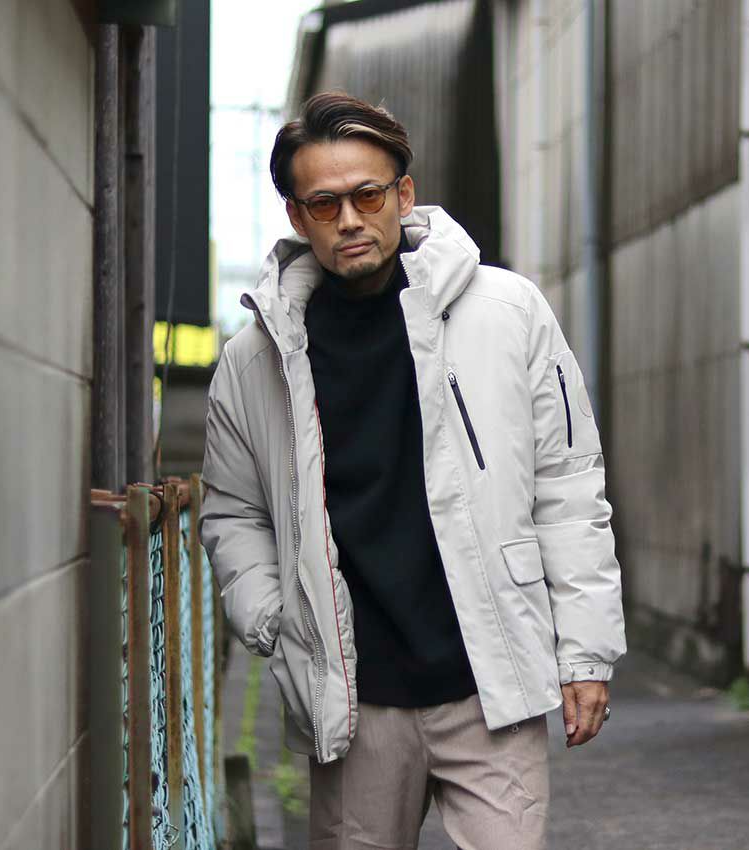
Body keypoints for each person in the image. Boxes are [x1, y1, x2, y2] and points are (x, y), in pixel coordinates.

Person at [199, 91, 626, 850]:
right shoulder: (256, 357)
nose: (349, 220)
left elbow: (567, 484)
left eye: (366, 195)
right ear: (297, 216)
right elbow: (233, 512)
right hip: (352, 699)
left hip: (489, 686)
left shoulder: (507, 311)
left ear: (403, 195)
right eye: (324, 203)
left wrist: (585, 654)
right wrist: (276, 617)